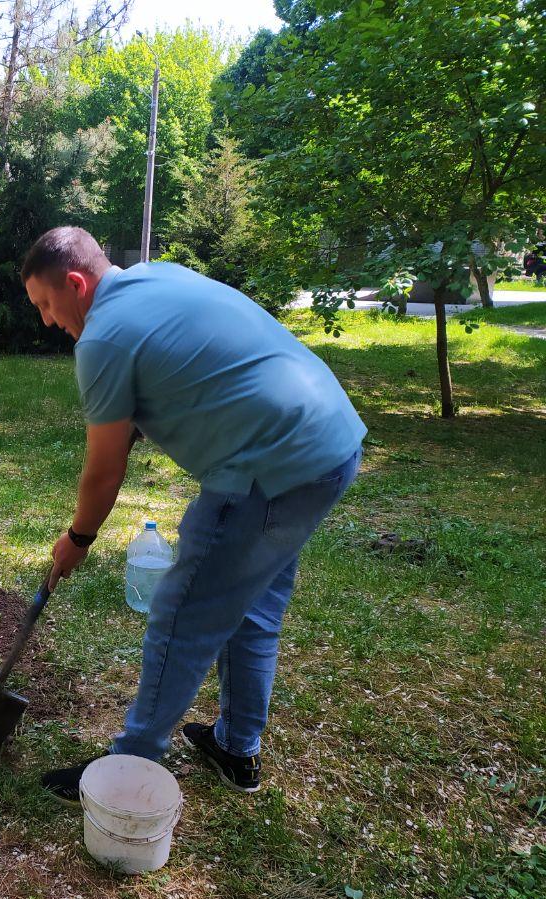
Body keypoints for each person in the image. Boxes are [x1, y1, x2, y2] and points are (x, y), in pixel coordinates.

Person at [21, 227, 365, 799]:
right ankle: (236, 749)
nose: (47, 321)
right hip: (331, 445)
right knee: (251, 606)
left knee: (181, 613)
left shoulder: (103, 339)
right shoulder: (158, 276)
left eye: (46, 305)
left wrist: (78, 538)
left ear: (76, 284)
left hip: (268, 468)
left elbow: (104, 471)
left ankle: (130, 768)